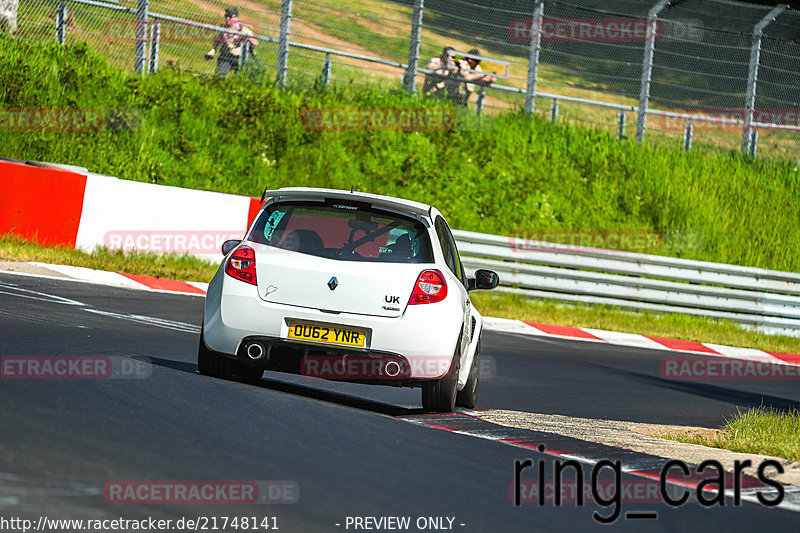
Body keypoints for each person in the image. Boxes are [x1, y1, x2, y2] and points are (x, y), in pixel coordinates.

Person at [204, 6, 258, 76]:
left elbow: (255, 43)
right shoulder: (223, 28)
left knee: (239, 77)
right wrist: (213, 50)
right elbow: (217, 40)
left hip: (239, 58)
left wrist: (246, 35)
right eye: (226, 16)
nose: (227, 19)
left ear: (236, 18)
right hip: (225, 56)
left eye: (229, 17)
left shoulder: (243, 28)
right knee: (221, 75)